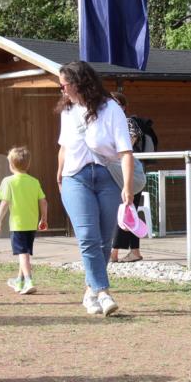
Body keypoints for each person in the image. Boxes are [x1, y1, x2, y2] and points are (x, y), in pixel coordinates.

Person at [55, 61, 136, 317]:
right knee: (88, 236)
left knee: (103, 242)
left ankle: (90, 292)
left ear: (79, 83)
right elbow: (65, 147)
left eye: (64, 85)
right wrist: (59, 173)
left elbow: (125, 151)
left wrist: (128, 187)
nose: (62, 91)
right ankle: (103, 292)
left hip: (106, 177)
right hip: (75, 178)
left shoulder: (111, 108)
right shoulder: (67, 111)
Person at [0, 146, 48, 295]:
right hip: (31, 224)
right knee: (24, 253)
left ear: (11, 165)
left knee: (22, 254)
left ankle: (29, 281)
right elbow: (43, 201)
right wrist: (44, 218)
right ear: (28, 165)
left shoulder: (8, 181)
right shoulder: (34, 182)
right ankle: (19, 280)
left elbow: (4, 203)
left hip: (17, 225)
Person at [110, 94, 154, 263]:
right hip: (124, 170)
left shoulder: (127, 122)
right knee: (130, 212)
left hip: (129, 172)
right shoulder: (114, 123)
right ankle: (134, 251)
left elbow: (126, 144)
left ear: (123, 106)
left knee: (124, 210)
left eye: (116, 103)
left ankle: (114, 252)